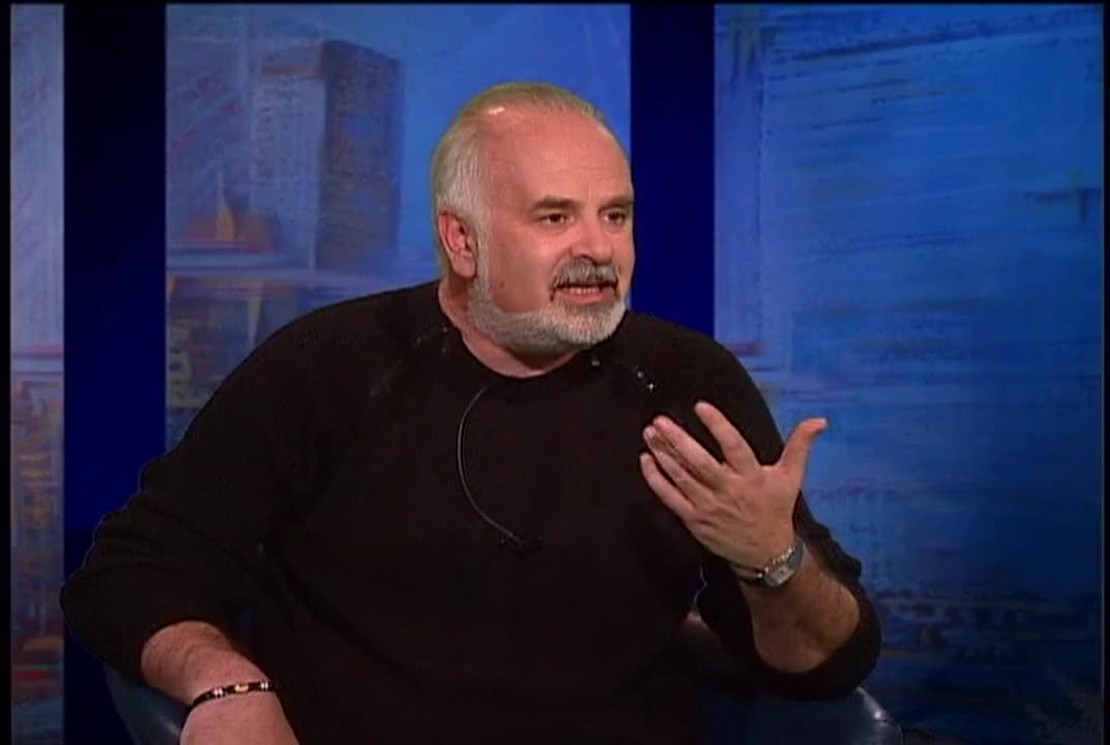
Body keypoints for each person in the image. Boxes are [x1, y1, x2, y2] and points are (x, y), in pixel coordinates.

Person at [61, 81, 882, 744]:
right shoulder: (327, 367)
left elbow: (828, 667)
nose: (599, 249)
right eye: (555, 217)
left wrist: (772, 559)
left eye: (616, 215)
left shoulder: (686, 380)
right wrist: (227, 684)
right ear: (462, 241)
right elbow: (129, 571)